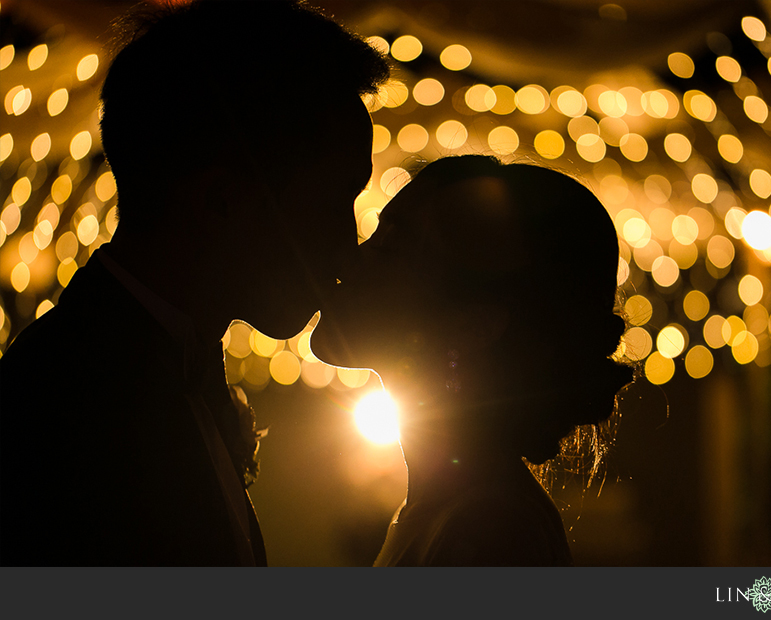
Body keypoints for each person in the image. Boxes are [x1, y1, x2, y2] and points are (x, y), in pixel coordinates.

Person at [0, 0, 389, 566]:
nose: (349, 246)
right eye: (333, 203)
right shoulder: (58, 416)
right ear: (221, 201)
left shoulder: (157, 371)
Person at [311, 155, 634, 566]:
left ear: (474, 323)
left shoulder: (490, 534)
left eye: (393, 248)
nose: (351, 259)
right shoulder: (452, 509)